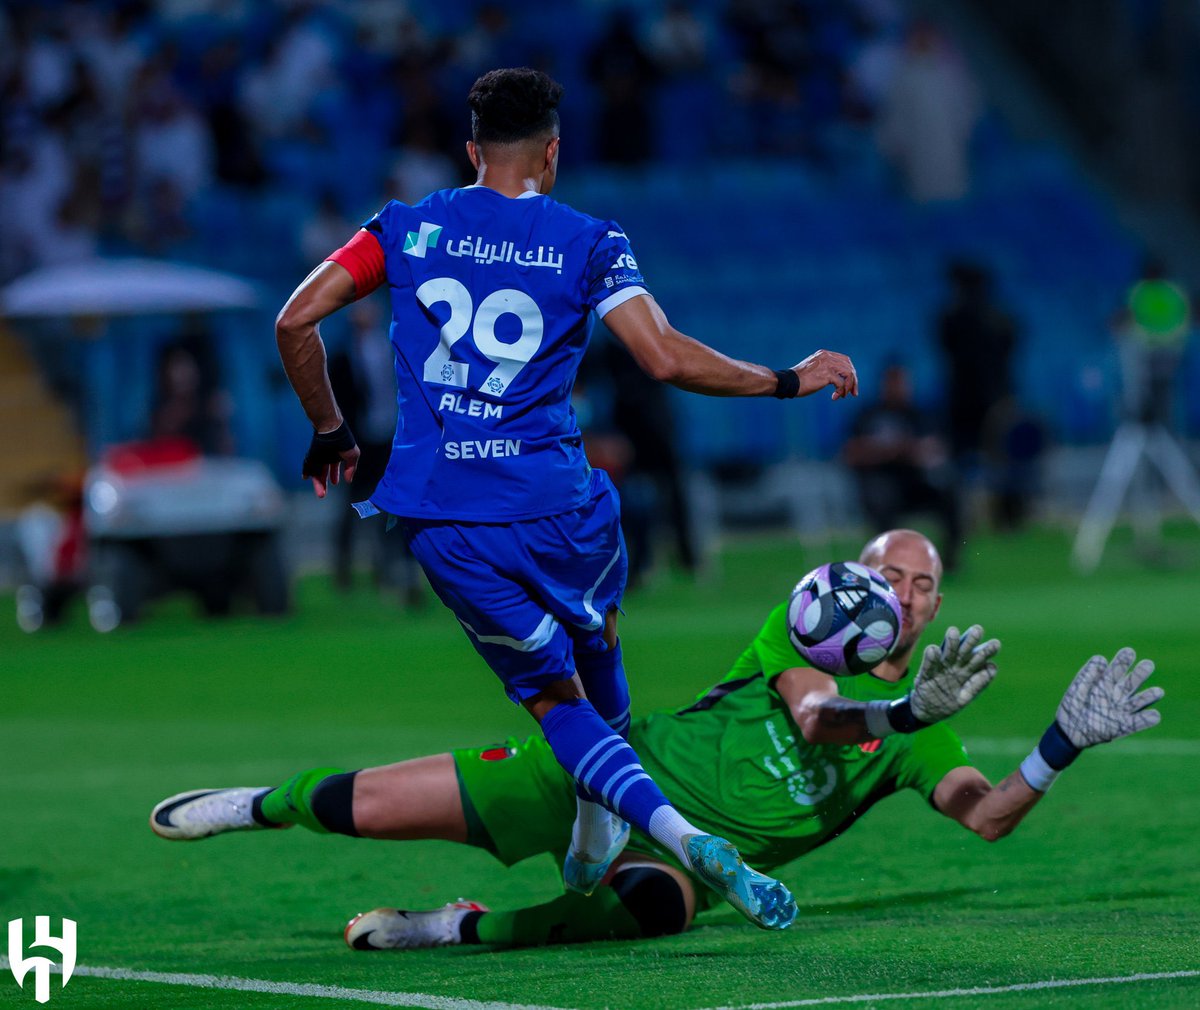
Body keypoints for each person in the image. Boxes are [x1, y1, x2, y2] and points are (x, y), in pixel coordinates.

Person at [270, 66, 859, 929]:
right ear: (553, 149)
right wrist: (785, 380)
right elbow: (661, 357)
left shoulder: (402, 228)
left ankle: (650, 825)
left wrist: (332, 430)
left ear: (471, 150)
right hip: (565, 511)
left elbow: (294, 320)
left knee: (556, 704)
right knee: (599, 658)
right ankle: (615, 823)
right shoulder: (589, 240)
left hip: (453, 522)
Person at [148, 530, 1163, 949]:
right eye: (887, 575)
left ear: (939, 604)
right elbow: (819, 714)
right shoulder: (797, 631)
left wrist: (1059, 743)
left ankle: (452, 927)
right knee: (364, 805)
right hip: (606, 769)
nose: (903, 592)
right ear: (849, 584)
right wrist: (902, 712)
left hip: (672, 860)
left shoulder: (920, 739)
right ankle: (252, 804)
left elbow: (985, 817)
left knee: (651, 911)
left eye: (922, 582)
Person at [843, 362, 962, 570]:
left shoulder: (921, 415)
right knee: (881, 498)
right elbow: (851, 452)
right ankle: (887, 564)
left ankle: (950, 562)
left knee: (950, 493)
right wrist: (889, 451)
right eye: (893, 382)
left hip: (916, 481)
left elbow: (937, 450)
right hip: (881, 481)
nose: (898, 387)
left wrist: (913, 451)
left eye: (902, 382)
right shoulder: (869, 415)